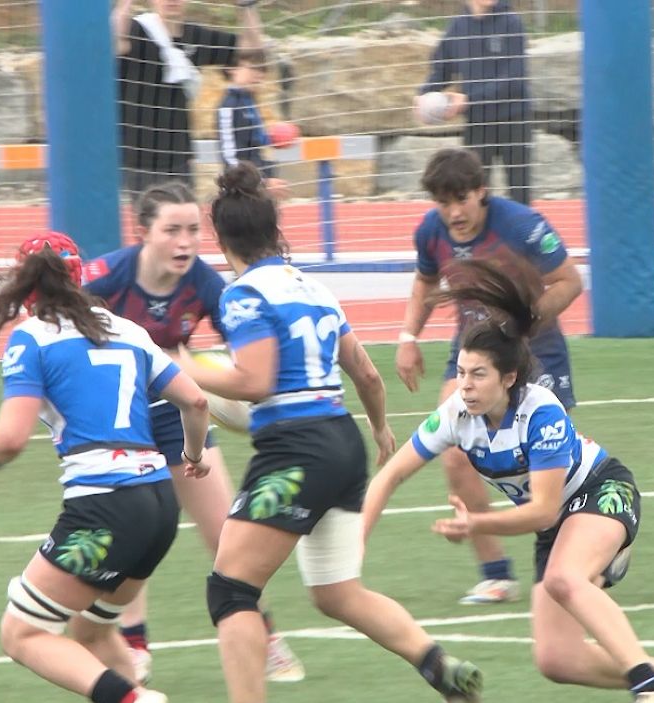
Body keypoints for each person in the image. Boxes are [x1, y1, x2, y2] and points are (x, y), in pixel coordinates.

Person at [363, 259, 654, 703]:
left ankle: (649, 690)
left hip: (602, 491)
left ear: (508, 378)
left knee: (565, 578)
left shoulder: (541, 412)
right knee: (558, 660)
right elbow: (392, 474)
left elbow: (543, 510)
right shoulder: (456, 415)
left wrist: (477, 524)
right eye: (460, 372)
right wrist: (355, 539)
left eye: (478, 375)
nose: (465, 386)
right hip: (558, 525)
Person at [180, 163, 483, 703]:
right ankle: (438, 665)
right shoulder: (315, 288)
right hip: (342, 442)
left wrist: (175, 367)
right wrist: (381, 428)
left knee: (231, 590)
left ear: (220, 239)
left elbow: (254, 381)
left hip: (296, 450)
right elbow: (365, 372)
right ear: (275, 231)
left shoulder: (243, 294)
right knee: (337, 592)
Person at [0, 231, 212, 703]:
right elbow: (196, 401)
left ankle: (136, 701)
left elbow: (10, 439)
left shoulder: (32, 337)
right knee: (92, 631)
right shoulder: (129, 330)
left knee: (22, 635)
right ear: (79, 277)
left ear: (25, 284)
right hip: (158, 503)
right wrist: (194, 457)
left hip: (104, 505)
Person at [81, 181, 305, 684]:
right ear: (143, 233)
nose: (184, 242)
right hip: (119, 422)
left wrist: (244, 390)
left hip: (182, 413)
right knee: (131, 535)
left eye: (191, 231)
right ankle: (134, 645)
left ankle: (263, 633)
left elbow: (245, 354)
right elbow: (55, 332)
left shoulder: (205, 284)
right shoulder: (105, 280)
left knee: (228, 534)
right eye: (171, 230)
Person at [395, 147, 583, 604]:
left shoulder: (522, 225)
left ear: (482, 191)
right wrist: (407, 337)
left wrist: (522, 322)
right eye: (444, 202)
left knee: (551, 465)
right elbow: (425, 282)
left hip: (535, 355)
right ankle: (496, 573)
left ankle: (588, 548)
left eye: (462, 198)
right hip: (473, 354)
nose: (454, 212)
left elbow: (569, 282)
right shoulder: (431, 231)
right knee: (456, 453)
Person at [113, 0, 264, 199]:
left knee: (186, 223)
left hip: (179, 160)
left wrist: (247, 6)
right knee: (152, 226)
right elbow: (114, 40)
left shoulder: (197, 36)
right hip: (138, 160)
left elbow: (252, 48)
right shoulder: (136, 29)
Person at [418, 0, 532, 205]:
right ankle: (484, 237)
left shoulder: (511, 22)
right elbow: (441, 70)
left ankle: (522, 236)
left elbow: (513, 80)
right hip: (478, 124)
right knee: (475, 194)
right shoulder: (458, 27)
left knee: (520, 191)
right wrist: (423, 95)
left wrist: (469, 100)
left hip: (514, 119)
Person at [216, 48, 291, 201]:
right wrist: (260, 182)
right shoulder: (228, 106)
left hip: (259, 178)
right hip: (242, 189)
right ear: (232, 68)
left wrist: (272, 138)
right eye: (253, 68)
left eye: (262, 70)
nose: (259, 75)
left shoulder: (249, 101)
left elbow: (253, 140)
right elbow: (230, 157)